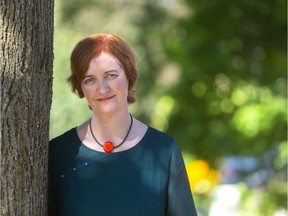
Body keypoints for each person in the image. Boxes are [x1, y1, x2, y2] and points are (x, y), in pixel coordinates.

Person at [48, 33, 198, 216]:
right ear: (80, 88)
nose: (102, 89)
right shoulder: (58, 153)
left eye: (111, 75)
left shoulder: (164, 150)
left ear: (129, 75)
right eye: (90, 80)